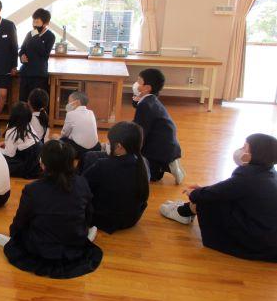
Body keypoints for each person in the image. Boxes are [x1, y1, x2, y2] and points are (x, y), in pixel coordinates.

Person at [160, 133, 277, 262]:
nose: (241, 150)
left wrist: (194, 194)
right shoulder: (268, 171)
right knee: (213, 196)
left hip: (258, 239)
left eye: (245, 148)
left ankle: (183, 212)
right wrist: (202, 191)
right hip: (268, 235)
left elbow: (216, 193)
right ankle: (187, 210)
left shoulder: (248, 177)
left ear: (256, 154)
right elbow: (226, 190)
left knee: (209, 200)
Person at [0, 140, 103, 279]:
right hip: (74, 240)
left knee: (24, 235)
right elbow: (88, 213)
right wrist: (83, 229)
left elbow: (21, 220)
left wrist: (14, 236)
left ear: (43, 164)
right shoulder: (82, 182)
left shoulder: (33, 189)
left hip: (42, 248)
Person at [81, 122, 150, 234]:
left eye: (110, 142)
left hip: (105, 220)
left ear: (119, 146)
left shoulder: (102, 165)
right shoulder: (144, 163)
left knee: (88, 161)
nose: (108, 144)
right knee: (92, 157)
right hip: (132, 219)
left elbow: (81, 187)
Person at [132, 68, 185, 184]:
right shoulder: (150, 100)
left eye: (139, 81)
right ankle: (165, 164)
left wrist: (131, 149)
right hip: (166, 146)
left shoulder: (145, 105)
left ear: (147, 88)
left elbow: (140, 132)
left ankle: (167, 165)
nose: (136, 84)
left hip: (159, 151)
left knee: (143, 173)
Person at [18, 8, 55, 102]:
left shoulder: (50, 36)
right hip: (25, 73)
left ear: (45, 23)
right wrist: (22, 56)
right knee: (23, 100)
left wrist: (36, 36)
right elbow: (22, 50)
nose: (34, 24)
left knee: (36, 102)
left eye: (37, 22)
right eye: (33, 21)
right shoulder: (29, 34)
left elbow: (44, 54)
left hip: (39, 74)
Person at [0, 102, 41, 179]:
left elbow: (9, 154)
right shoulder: (28, 125)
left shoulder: (12, 131)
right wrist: (6, 143)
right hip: (37, 162)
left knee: (0, 159)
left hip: (27, 165)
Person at [58, 91, 100, 162]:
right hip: (95, 148)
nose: (68, 104)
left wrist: (58, 139)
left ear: (77, 102)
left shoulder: (70, 114)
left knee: (61, 140)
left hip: (80, 151)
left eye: (69, 101)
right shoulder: (91, 112)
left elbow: (64, 134)